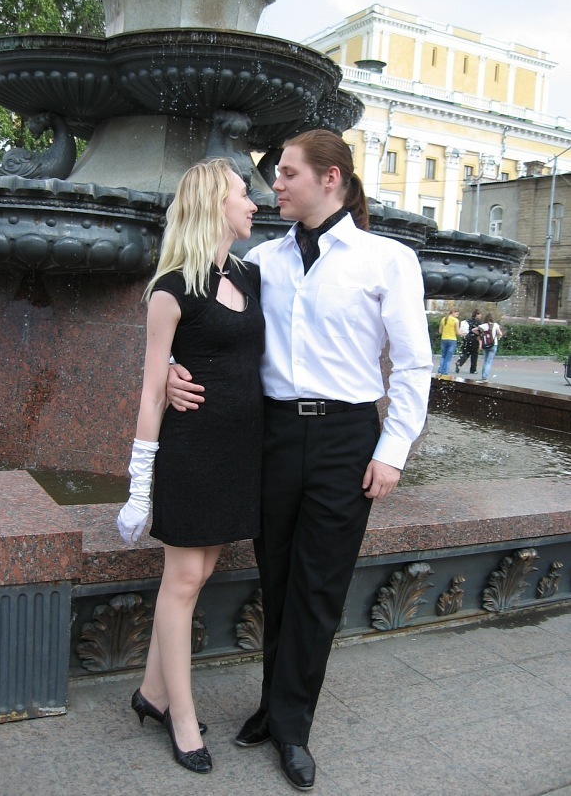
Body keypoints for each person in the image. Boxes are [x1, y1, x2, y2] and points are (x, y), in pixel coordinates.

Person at [166, 129, 433, 791]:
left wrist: (393, 449)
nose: (274, 185)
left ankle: (290, 725)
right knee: (279, 576)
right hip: (274, 435)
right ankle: (272, 704)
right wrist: (171, 367)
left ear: (329, 179)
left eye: (286, 173)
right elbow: (201, 318)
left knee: (319, 586)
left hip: (347, 438)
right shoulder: (262, 261)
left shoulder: (387, 259)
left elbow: (412, 364)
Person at [116, 159, 263, 775]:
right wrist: (139, 486)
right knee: (181, 582)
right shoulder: (171, 289)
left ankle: (151, 694)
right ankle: (180, 717)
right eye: (242, 194)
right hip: (192, 454)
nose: (253, 203)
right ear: (213, 205)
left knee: (199, 573)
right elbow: (153, 392)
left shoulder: (250, 275)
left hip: (238, 453)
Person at [473, 312, 503, 381]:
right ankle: (485, 377)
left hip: (485, 344)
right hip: (493, 344)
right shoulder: (495, 325)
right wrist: (497, 336)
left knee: (485, 360)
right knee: (489, 361)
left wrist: (480, 334)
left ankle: (483, 376)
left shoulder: (483, 326)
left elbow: (473, 330)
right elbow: (500, 334)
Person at [455, 308, 482, 374]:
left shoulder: (468, 321)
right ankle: (473, 369)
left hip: (467, 338)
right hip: (475, 340)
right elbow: (480, 332)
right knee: (474, 355)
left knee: (466, 353)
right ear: (476, 314)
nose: (480, 316)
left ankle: (459, 362)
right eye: (480, 314)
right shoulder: (478, 323)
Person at [437, 307, 460, 375]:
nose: (457, 315)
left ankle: (440, 371)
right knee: (448, 358)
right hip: (452, 340)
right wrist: (463, 333)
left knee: (443, 356)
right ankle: (445, 372)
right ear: (453, 312)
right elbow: (458, 332)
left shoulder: (443, 319)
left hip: (444, 339)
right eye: (457, 313)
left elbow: (440, 331)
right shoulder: (455, 320)